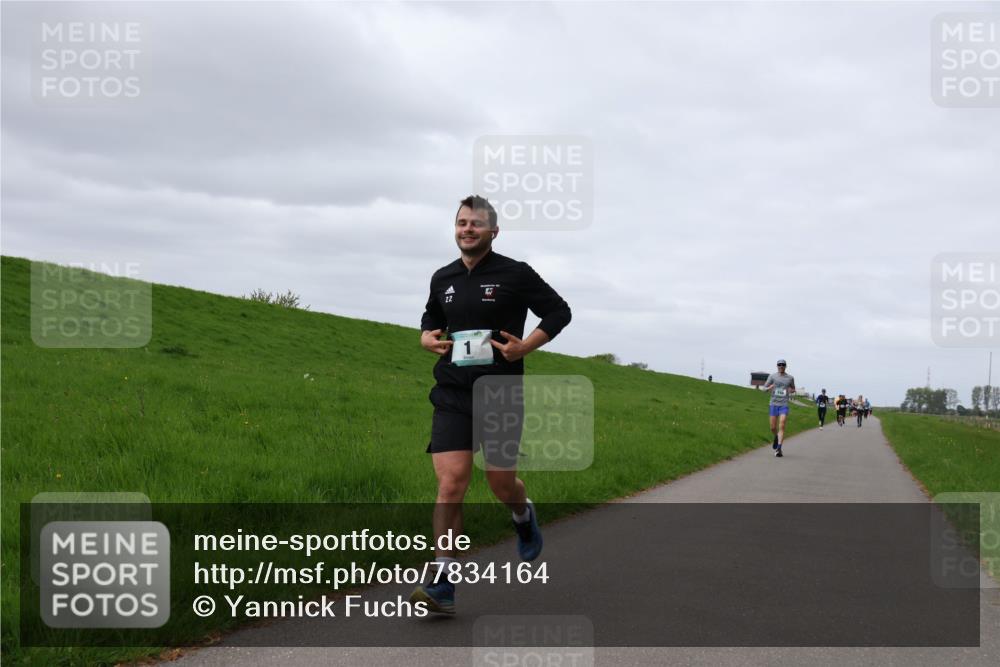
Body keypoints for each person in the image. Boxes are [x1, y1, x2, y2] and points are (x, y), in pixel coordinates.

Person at [410, 195, 572, 615]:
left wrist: (526, 347)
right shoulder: (442, 277)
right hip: (452, 392)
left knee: (501, 484)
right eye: (462, 223)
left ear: (493, 231)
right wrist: (426, 336)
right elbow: (432, 317)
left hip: (500, 392)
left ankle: (522, 515)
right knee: (451, 484)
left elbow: (559, 311)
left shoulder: (515, 273)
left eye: (476, 224)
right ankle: (443, 581)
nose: (467, 229)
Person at [763, 359, 796, 457]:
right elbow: (763, 389)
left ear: (785, 366)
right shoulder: (772, 376)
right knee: (773, 427)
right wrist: (769, 388)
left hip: (784, 404)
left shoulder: (790, 378)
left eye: (783, 365)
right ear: (777, 366)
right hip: (773, 404)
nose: (781, 366)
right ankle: (776, 437)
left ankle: (779, 449)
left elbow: (793, 389)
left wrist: (791, 390)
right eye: (779, 365)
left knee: (782, 424)